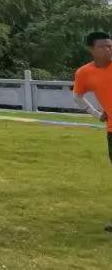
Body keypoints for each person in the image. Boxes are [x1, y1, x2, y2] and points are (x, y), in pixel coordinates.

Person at [72, 30, 112, 233]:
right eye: (103, 46)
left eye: (110, 45)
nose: (108, 49)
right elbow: (78, 96)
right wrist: (97, 114)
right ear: (91, 49)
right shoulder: (84, 73)